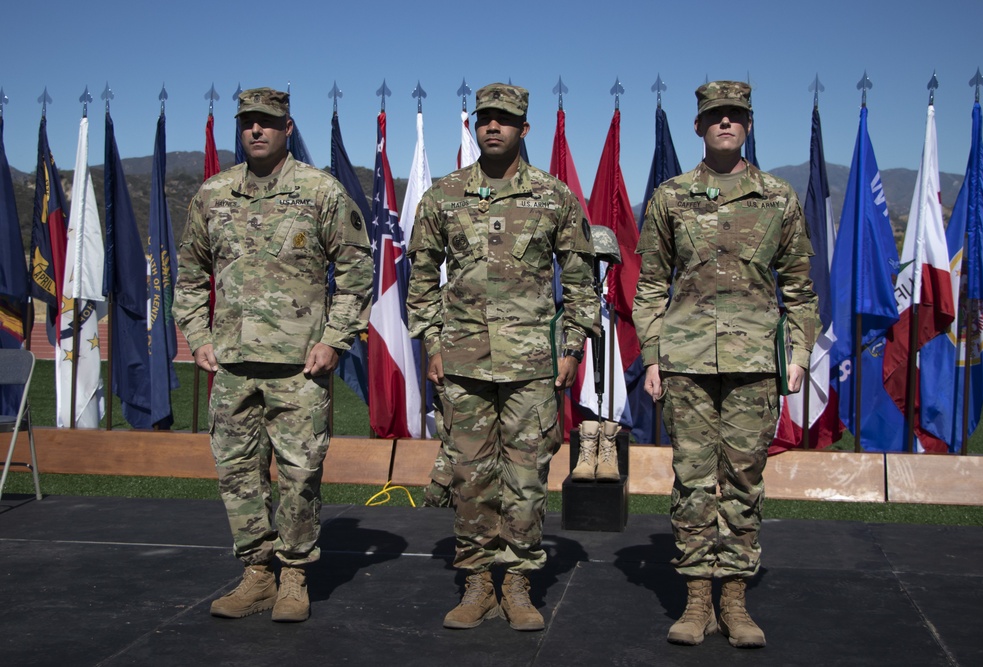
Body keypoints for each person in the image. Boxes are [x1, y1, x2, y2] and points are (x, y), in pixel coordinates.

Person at [174, 87, 373, 623]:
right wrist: (198, 337)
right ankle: (257, 572)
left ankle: (293, 575)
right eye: (248, 123)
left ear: (287, 128)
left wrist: (335, 340)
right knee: (238, 475)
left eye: (267, 122)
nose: (256, 131)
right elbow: (190, 276)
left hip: (298, 368)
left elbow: (357, 274)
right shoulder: (213, 195)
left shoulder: (319, 192)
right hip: (232, 366)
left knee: (300, 474)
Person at [633, 81, 818, 649]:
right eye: (715, 116)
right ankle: (695, 600)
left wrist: (799, 355)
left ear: (749, 123)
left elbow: (801, 292)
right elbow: (649, 287)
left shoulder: (778, 198)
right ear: (699, 125)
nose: (726, 124)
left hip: (755, 363)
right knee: (692, 481)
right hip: (686, 362)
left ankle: (734, 599)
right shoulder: (670, 197)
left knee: (742, 479)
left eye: (736, 115)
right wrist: (653, 353)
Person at [407, 82, 598, 631]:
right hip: (463, 362)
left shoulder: (553, 196)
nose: (493, 126)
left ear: (524, 129)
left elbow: (581, 281)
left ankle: (517, 581)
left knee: (526, 479)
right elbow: (420, 276)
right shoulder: (443, 196)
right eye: (485, 118)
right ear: (475, 126)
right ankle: (477, 583)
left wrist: (571, 347)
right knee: (469, 476)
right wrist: (432, 344)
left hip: (531, 365)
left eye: (505, 119)